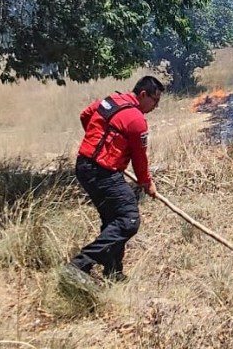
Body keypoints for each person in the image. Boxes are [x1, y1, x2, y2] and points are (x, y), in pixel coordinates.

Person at [67, 76, 163, 282]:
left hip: (84, 166)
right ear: (143, 94)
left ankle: (113, 273)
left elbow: (86, 115)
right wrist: (146, 183)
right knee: (129, 220)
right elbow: (139, 158)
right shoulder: (137, 120)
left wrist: (99, 142)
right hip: (102, 172)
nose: (156, 106)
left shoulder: (111, 100)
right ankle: (79, 264)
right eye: (155, 100)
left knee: (113, 220)